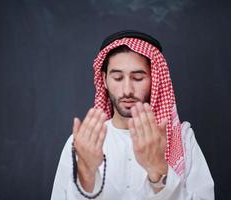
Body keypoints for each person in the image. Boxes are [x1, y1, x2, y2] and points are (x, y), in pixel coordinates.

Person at [51, 30, 214, 199]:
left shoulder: (182, 139)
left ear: (154, 80)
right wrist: (86, 177)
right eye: (118, 78)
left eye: (137, 78)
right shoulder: (82, 143)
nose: (127, 90)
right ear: (105, 80)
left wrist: (159, 171)